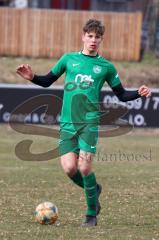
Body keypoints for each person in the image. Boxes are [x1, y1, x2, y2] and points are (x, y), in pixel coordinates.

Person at [16, 19, 151, 227]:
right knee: (70, 168)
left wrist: (138, 94)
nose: (93, 40)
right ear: (83, 37)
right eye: (90, 36)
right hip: (67, 124)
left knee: (85, 167)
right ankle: (94, 189)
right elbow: (47, 80)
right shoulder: (68, 59)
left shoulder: (106, 66)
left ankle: (91, 215)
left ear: (101, 40)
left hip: (89, 124)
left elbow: (122, 94)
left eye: (97, 37)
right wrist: (32, 76)